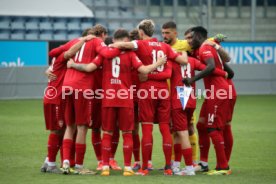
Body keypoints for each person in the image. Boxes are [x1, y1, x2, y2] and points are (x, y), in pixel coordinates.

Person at [67, 28, 166, 176]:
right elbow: (144, 70)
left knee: (106, 133)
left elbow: (90, 67)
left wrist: (73, 65)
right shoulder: (131, 54)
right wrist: (158, 62)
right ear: (126, 42)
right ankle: (127, 168)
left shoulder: (104, 54)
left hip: (108, 99)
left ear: (114, 41)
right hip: (125, 99)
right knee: (127, 133)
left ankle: (105, 167)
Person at [109, 19, 188, 176]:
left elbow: (121, 45)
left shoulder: (140, 44)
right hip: (163, 91)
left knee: (147, 127)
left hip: (147, 90)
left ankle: (145, 167)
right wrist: (184, 52)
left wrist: (111, 45)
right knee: (165, 127)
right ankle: (168, 167)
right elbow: (182, 60)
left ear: (141, 32)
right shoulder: (165, 46)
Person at [61, 24, 120, 174]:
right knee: (82, 127)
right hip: (82, 88)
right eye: (105, 36)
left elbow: (61, 53)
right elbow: (107, 53)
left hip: (67, 85)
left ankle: (66, 162)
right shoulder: (96, 41)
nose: (105, 39)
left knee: (70, 126)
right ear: (102, 34)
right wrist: (120, 46)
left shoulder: (76, 40)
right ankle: (80, 167)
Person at [40, 34, 94, 173]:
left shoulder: (60, 58)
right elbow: (69, 52)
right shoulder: (65, 56)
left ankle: (49, 161)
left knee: (64, 129)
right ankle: (51, 163)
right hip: (56, 97)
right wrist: (83, 40)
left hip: (56, 96)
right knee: (58, 130)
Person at [183, 26, 232, 175]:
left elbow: (210, 67)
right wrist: (225, 73)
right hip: (215, 91)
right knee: (202, 125)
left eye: (191, 38)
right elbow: (229, 71)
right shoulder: (205, 47)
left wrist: (192, 79)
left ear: (198, 36)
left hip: (218, 92)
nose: (188, 41)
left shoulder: (205, 47)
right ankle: (204, 163)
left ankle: (223, 167)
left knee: (213, 128)